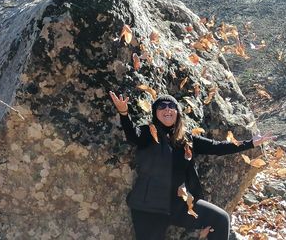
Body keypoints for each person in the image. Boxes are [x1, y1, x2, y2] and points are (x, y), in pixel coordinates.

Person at [109, 91, 276, 240]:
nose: (167, 109)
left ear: (177, 112)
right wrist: (124, 113)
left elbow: (217, 147)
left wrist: (250, 143)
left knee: (220, 219)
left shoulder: (187, 139)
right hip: (148, 208)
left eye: (171, 106)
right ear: (155, 113)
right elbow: (132, 135)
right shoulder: (148, 133)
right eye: (161, 107)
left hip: (179, 205)